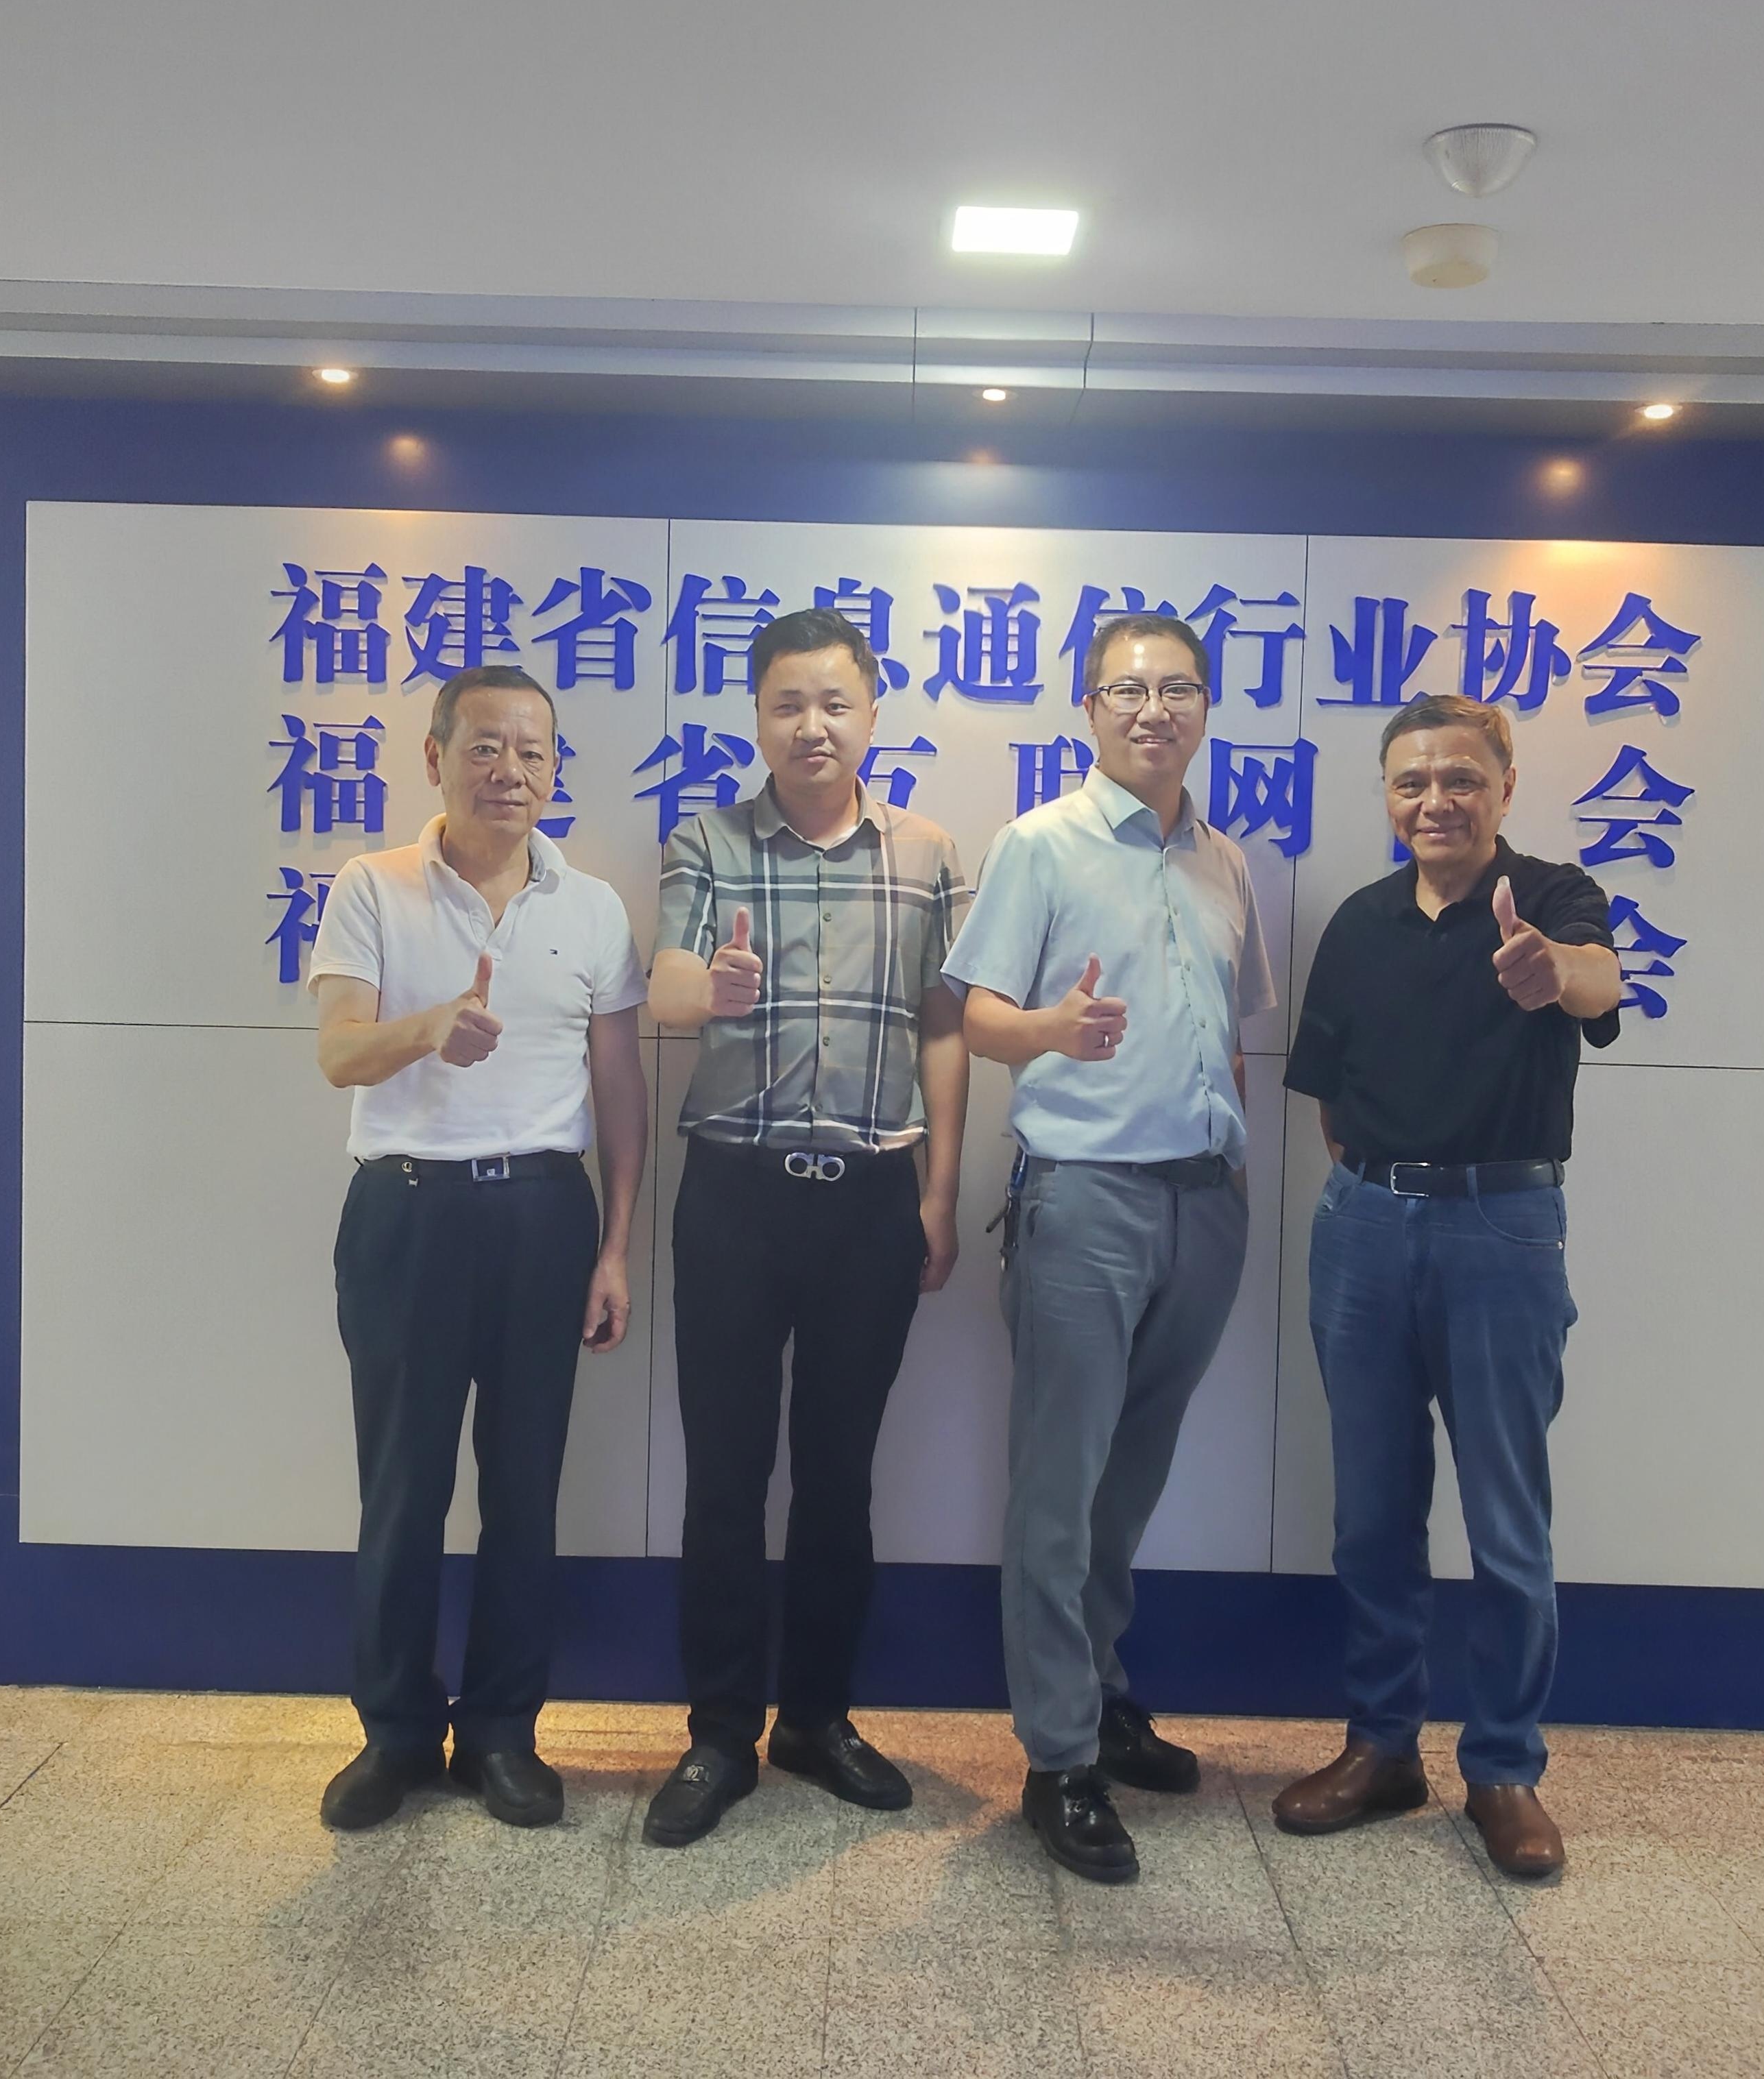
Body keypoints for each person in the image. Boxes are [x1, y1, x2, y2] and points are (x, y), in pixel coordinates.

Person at [941, 612, 1274, 1885]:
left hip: (1203, 1203)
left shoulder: (1225, 861)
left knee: (1129, 1479)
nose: (1154, 711)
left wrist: (1230, 1164)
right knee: (1059, 1485)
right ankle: (1060, 1758)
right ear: (1089, 708)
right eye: (1128, 690)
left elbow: (1231, 1033)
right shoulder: (1041, 843)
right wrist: (1051, 1033)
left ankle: (1101, 1693)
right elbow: (972, 1017)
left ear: (1206, 708)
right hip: (1084, 1202)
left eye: (1178, 689)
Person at [1269, 690, 1622, 1880]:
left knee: (1507, 1517)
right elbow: (1330, 1097)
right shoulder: (1361, 923)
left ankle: (1505, 1768)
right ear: (1388, 795)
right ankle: (1381, 1749)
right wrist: (1383, 1190)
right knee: (1373, 1513)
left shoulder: (1552, 898)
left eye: (1462, 779)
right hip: (1365, 1224)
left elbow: (1600, 981)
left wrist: (1550, 972)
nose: (1437, 801)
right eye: (1413, 782)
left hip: (1502, 1227)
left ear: (1504, 788)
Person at [638, 607, 970, 1848]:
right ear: (758, 718)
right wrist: (711, 985)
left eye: (835, 703)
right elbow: (667, 984)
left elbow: (944, 1025)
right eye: (788, 704)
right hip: (734, 1195)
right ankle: (721, 1733)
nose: (811, 726)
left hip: (874, 1197)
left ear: (873, 714)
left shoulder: (927, 852)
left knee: (840, 1474)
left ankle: (818, 1720)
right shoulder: (707, 839)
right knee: (724, 1475)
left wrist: (939, 1193)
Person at [304, 664, 649, 1834]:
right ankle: (395, 1734)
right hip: (407, 1213)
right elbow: (338, 1053)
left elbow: (620, 1085)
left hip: (545, 1216)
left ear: (554, 769)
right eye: (486, 747)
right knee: (402, 1488)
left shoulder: (591, 907)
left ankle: (503, 1732)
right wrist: (429, 1029)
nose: (511, 771)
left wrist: (616, 1247)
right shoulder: (372, 886)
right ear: (435, 757)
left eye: (533, 752)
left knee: (525, 1488)